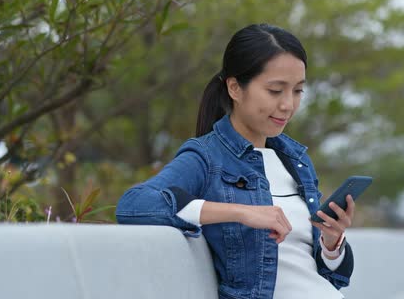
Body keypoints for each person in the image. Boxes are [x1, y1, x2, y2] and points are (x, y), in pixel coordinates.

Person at [116, 23, 354, 299]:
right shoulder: (207, 156)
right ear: (235, 88)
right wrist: (240, 211)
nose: (288, 104)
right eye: (276, 90)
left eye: (298, 91)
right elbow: (134, 205)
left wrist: (332, 242)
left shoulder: (295, 161)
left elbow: (329, 278)